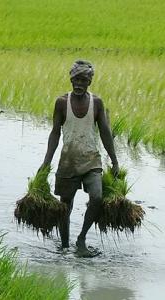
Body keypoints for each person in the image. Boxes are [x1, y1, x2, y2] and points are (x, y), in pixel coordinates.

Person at [40, 60, 119, 257]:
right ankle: (65, 246)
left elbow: (105, 133)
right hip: (68, 161)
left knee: (97, 197)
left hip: (92, 160)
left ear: (89, 82)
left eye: (83, 80)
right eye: (75, 79)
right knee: (65, 206)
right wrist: (46, 162)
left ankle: (81, 239)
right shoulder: (61, 103)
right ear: (70, 79)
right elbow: (55, 134)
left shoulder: (97, 103)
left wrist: (115, 160)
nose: (78, 84)